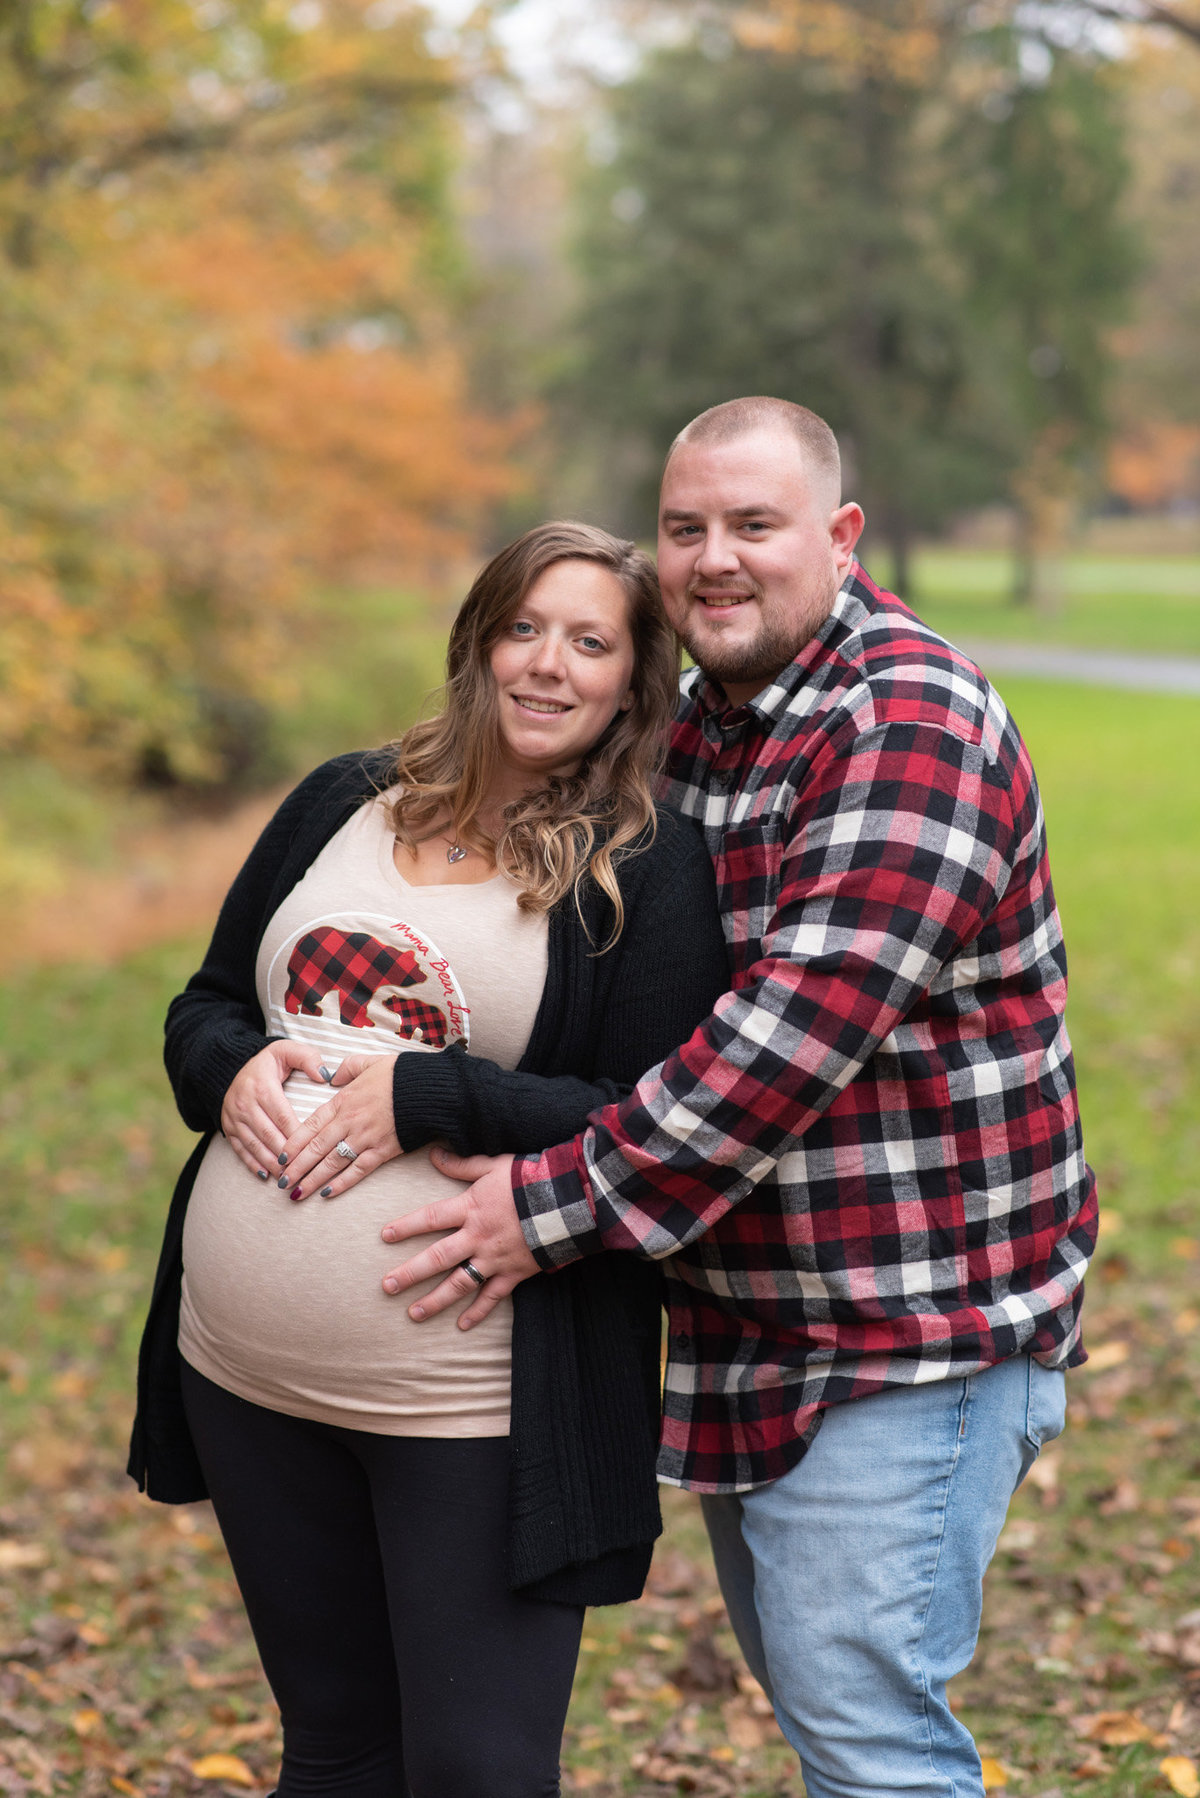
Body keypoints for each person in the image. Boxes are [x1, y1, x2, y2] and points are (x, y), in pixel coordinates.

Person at [378, 399, 1100, 1798]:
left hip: (909, 1323)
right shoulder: (705, 722)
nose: (714, 558)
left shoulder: (909, 717)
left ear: (838, 538)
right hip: (753, 1314)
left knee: (868, 1736)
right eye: (687, 527)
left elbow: (791, 1033)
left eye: (754, 526)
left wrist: (550, 1202)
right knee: (829, 1706)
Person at [126, 520, 730, 1798]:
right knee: (336, 1751)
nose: (549, 666)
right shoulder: (344, 800)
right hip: (247, 1376)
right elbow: (206, 1004)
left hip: (473, 1404)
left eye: (590, 642)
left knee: (479, 1771)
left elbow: (658, 1113)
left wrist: (430, 1095)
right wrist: (231, 1065)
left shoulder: (648, 865)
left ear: (633, 680)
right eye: (526, 628)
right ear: (479, 641)